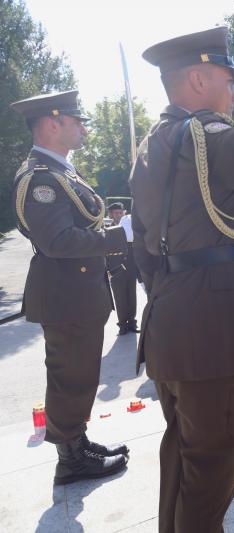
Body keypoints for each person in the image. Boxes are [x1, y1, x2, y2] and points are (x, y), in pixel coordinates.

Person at [129, 27, 234, 533]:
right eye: (229, 82)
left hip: (172, 323)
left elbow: (141, 245)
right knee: (211, 475)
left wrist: (171, 293)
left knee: (184, 459)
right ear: (199, 79)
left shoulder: (151, 146)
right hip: (215, 335)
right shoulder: (202, 136)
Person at [10, 90, 130, 484]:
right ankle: (71, 459)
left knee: (80, 374)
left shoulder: (61, 171)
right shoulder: (39, 178)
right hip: (66, 296)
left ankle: (77, 442)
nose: (82, 127)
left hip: (79, 294)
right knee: (69, 376)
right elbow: (58, 242)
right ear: (51, 123)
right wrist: (117, 237)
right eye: (75, 120)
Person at [106, 202, 140, 335]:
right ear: (111, 214)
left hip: (131, 266)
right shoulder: (108, 229)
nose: (118, 215)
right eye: (115, 213)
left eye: (120, 212)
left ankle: (132, 322)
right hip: (116, 268)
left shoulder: (130, 227)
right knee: (119, 296)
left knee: (132, 295)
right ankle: (122, 325)